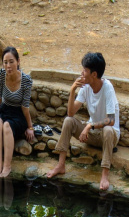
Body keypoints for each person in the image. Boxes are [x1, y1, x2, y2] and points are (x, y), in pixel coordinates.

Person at [47, 53, 120, 193]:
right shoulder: (86, 87)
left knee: (108, 130)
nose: (82, 73)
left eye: (85, 70)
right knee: (68, 121)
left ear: (94, 74)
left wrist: (89, 125)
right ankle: (60, 165)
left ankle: (104, 175)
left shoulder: (107, 88)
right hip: (92, 134)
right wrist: (72, 90)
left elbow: (111, 121)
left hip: (109, 136)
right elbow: (71, 113)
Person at [0, 45, 35, 179]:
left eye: (11, 61)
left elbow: (25, 107)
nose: (8, 66)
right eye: (5, 62)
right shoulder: (0, 76)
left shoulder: (26, 80)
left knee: (7, 126)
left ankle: (7, 166)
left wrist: (30, 127)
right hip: (4, 109)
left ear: (18, 61)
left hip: (18, 113)